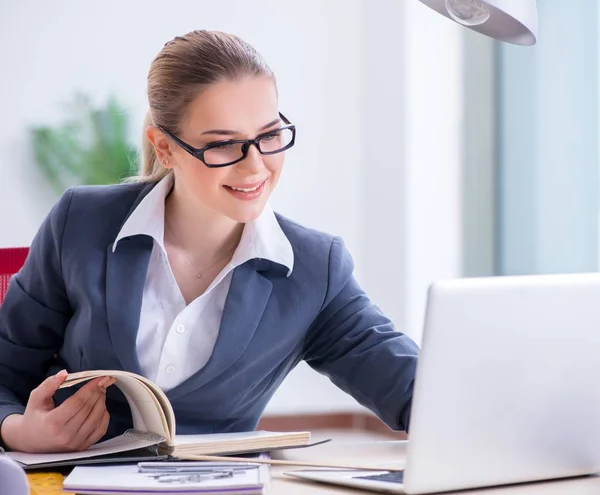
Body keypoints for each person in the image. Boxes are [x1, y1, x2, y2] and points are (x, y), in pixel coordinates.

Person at [0, 30, 419, 454]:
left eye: (270, 136)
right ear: (164, 147)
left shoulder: (313, 267)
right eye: (223, 144)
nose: (255, 166)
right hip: (75, 483)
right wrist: (19, 431)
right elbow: (3, 372)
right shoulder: (82, 224)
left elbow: (412, 388)